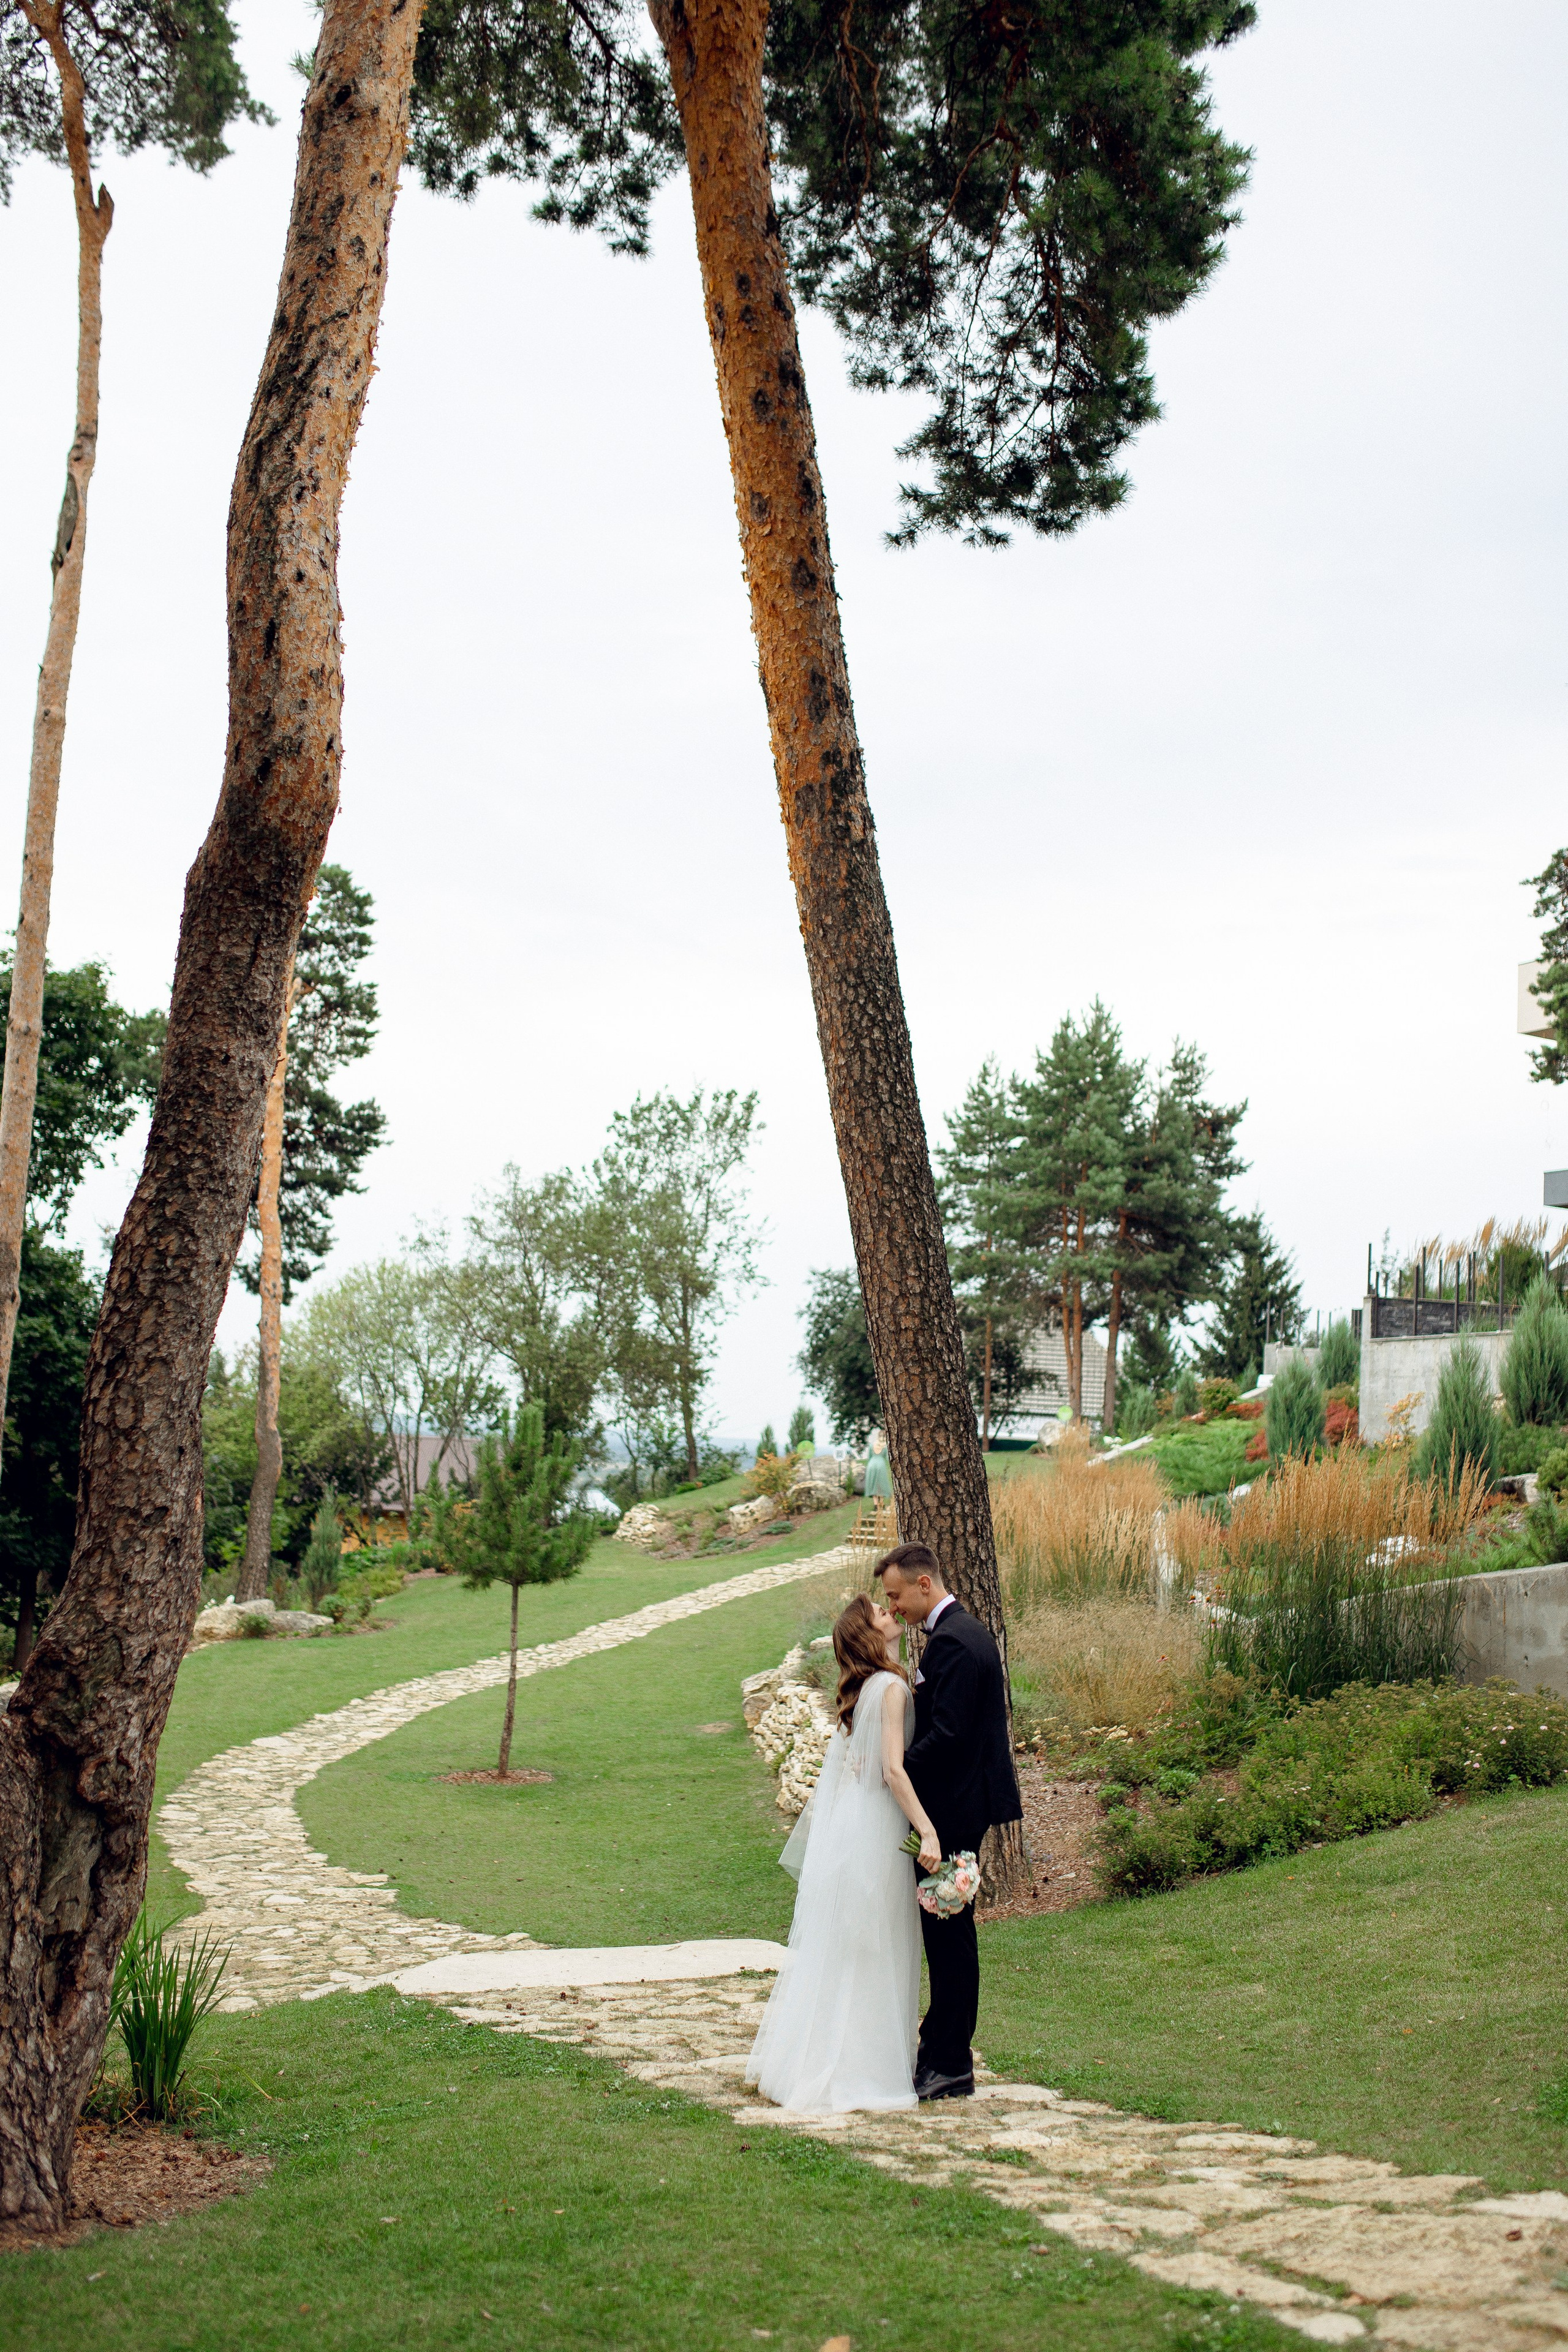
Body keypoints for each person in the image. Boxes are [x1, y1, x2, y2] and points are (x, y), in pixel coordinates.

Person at [745, 1593, 941, 2113]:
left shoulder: (868, 1690)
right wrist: (928, 1831)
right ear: (867, 1635)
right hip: (877, 1832)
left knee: (854, 1946)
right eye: (880, 1612)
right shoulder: (892, 1688)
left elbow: (862, 1762)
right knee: (876, 1947)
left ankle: (825, 2059)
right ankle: (860, 2071)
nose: (889, 1613)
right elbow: (892, 1771)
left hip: (858, 1829)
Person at [875, 1542, 1022, 2101]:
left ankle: (952, 2062)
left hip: (956, 1813)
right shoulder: (954, 1638)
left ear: (925, 1585)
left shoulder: (957, 1644)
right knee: (947, 1938)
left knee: (952, 1940)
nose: (895, 1608)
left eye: (897, 1596)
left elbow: (950, 1737)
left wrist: (893, 1771)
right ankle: (938, 2049)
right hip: (954, 1808)